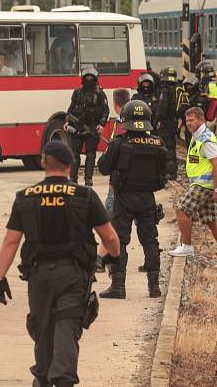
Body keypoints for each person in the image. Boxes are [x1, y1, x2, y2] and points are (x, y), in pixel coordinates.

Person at [0, 140, 120, 387]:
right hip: (73, 274)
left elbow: (11, 240)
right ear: (70, 165)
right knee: (66, 328)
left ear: (42, 162)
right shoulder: (84, 195)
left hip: (39, 275)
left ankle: (44, 382)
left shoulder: (25, 196)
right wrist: (112, 257)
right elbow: (109, 237)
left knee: (42, 328)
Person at [97, 100, 167, 298]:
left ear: (125, 120)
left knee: (120, 240)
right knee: (150, 241)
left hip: (124, 197)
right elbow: (166, 173)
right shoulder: (158, 143)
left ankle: (118, 286)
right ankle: (154, 287)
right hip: (147, 199)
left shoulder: (119, 143)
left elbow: (103, 167)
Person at [168, 107, 217, 269]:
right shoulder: (197, 136)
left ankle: (186, 247)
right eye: (187, 120)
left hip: (204, 184)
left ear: (201, 119)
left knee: (181, 208)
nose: (188, 123)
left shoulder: (207, 139)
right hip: (201, 183)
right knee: (211, 220)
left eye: (192, 120)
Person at [96, 88, 132, 272]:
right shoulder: (132, 122)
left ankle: (102, 259)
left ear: (115, 105)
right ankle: (104, 257)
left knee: (108, 222)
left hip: (117, 184)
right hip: (126, 183)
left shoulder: (122, 125)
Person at [66, 68, 110, 186]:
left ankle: (88, 179)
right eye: (87, 78)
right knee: (74, 153)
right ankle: (73, 178)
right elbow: (70, 110)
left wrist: (101, 124)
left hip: (92, 128)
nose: (89, 80)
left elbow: (105, 110)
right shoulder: (77, 93)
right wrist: (67, 121)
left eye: (91, 78)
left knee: (91, 155)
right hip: (77, 127)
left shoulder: (100, 94)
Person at [157, 66, 181, 179]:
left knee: (167, 148)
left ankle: (169, 172)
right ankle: (172, 171)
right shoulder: (177, 89)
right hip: (174, 122)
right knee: (172, 147)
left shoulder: (165, 91)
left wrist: (157, 119)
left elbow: (162, 109)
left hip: (165, 124)